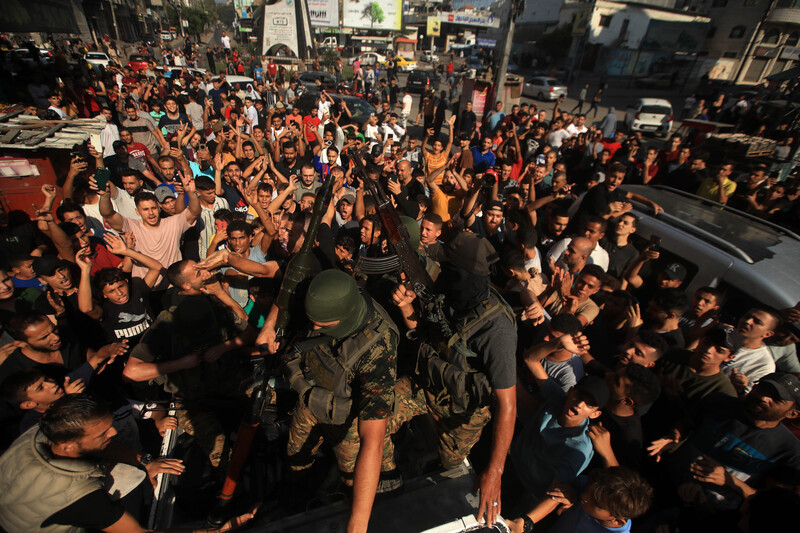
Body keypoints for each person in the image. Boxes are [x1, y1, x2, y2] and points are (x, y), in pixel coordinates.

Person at [391, 232, 519, 527]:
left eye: (449, 267)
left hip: (462, 411)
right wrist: (406, 308)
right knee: (376, 413)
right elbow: (426, 333)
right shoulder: (448, 292)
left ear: (463, 274)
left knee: (450, 469)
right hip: (426, 385)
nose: (442, 271)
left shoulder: (496, 330)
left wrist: (494, 471)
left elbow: (508, 406)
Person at [0, 394, 255, 532]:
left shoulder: (46, 431)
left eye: (110, 427)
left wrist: (145, 462)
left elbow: (102, 445)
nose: (112, 434)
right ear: (67, 445)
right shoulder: (77, 496)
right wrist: (213, 532)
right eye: (103, 434)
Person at [281, 270, 399, 532]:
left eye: (323, 326)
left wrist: (356, 525)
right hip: (310, 397)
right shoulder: (328, 292)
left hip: (348, 420)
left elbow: (373, 438)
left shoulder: (378, 348)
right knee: (295, 457)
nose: (313, 329)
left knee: (352, 478)